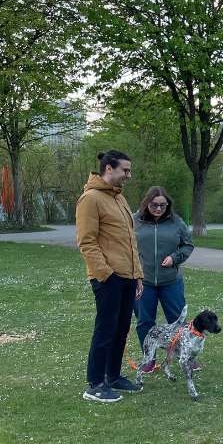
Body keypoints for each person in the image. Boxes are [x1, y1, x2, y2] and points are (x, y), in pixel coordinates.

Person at [76, 150, 144, 403]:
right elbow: (86, 242)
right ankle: (95, 384)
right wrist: (105, 274)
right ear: (108, 168)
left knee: (121, 329)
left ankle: (113, 376)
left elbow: (130, 241)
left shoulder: (119, 198)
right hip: (108, 278)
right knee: (105, 329)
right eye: (125, 170)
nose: (129, 175)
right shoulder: (90, 199)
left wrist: (138, 275)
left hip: (128, 276)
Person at [133, 187, 194, 372]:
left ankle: (186, 358)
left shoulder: (176, 222)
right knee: (145, 322)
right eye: (154, 205)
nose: (159, 209)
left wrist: (174, 258)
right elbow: (125, 246)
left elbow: (187, 245)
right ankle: (149, 360)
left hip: (171, 281)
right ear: (146, 203)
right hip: (143, 282)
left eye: (163, 205)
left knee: (178, 320)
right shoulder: (134, 221)